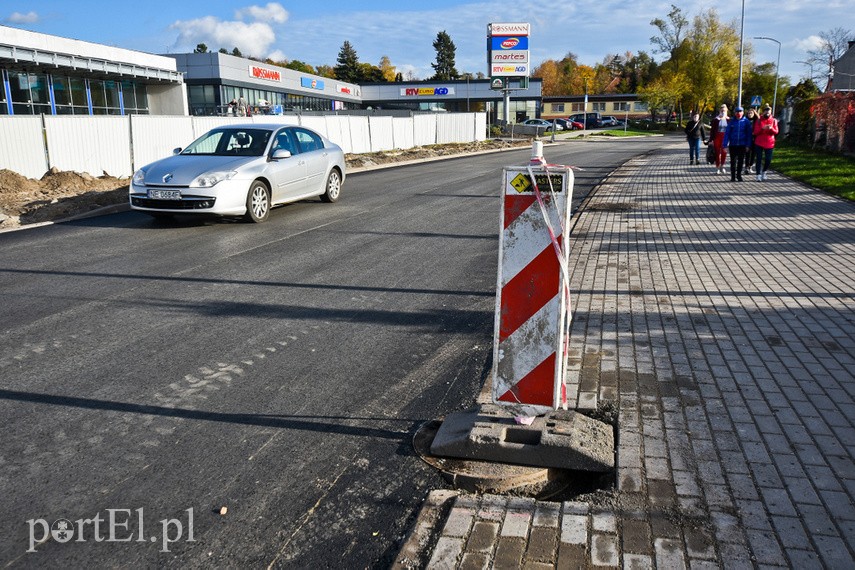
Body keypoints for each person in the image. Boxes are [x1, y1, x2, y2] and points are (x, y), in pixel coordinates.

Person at [724, 106, 753, 182]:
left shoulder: (746, 122)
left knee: (740, 161)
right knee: (733, 161)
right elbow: (727, 133)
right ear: (735, 113)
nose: (738, 113)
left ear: (743, 112)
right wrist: (725, 145)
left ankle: (739, 175)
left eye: (740, 112)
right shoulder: (732, 122)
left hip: (742, 144)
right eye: (737, 112)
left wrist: (748, 145)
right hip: (733, 145)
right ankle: (733, 176)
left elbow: (749, 135)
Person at [753, 104, 779, 181]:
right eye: (766, 110)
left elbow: (776, 132)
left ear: (771, 112)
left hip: (769, 142)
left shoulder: (774, 120)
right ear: (763, 112)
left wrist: (771, 129)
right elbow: (755, 132)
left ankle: (764, 171)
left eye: (769, 111)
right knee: (759, 158)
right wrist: (762, 128)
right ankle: (758, 174)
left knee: (768, 159)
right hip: (759, 142)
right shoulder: (759, 120)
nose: (767, 112)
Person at [710, 104, 729, 174]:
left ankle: (722, 166)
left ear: (727, 110)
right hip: (717, 137)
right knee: (717, 153)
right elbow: (712, 130)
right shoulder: (716, 119)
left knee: (724, 152)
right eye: (722, 110)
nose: (723, 112)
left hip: (725, 138)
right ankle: (717, 167)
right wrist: (711, 140)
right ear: (720, 111)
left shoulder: (729, 119)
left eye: (724, 110)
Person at [745, 108, 759, 174]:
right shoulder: (745, 120)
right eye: (748, 113)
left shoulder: (756, 121)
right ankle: (746, 167)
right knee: (747, 153)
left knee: (753, 154)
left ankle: (750, 166)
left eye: (751, 113)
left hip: (755, 139)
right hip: (747, 139)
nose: (750, 114)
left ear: (754, 114)